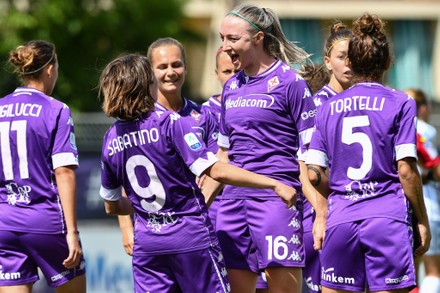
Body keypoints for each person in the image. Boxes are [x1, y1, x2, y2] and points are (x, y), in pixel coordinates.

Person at [98, 53, 297, 293]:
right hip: (190, 237)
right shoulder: (171, 123)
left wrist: (148, 205)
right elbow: (216, 170)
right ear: (147, 85)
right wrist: (273, 184)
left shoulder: (110, 139)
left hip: (148, 245)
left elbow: (111, 206)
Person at [306, 13, 431, 293]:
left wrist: (338, 198)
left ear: (351, 62)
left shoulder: (326, 108)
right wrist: (421, 219)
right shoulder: (401, 102)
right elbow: (406, 171)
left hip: (341, 219)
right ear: (387, 62)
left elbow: (313, 175)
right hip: (386, 219)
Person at [210, 4, 316, 292]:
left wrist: (321, 209)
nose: (224, 47)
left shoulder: (290, 82)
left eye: (232, 39)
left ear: (257, 38)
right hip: (232, 204)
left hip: (276, 202)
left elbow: (310, 154)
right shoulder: (231, 87)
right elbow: (223, 156)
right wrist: (200, 207)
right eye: (222, 38)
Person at [116, 37, 220, 256]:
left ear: (186, 67)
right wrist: (126, 228)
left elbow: (217, 168)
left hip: (198, 228)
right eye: (162, 67)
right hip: (154, 233)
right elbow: (124, 178)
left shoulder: (203, 115)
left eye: (176, 65)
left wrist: (197, 211)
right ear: (149, 72)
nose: (170, 72)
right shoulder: (137, 120)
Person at [0, 40, 86, 292]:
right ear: (49, 69)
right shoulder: (56, 109)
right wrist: (72, 232)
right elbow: (64, 171)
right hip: (44, 221)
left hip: (4, 222)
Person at [300, 21, 352, 293]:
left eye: (355, 57)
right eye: (342, 57)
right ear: (328, 61)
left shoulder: (362, 101)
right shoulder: (318, 105)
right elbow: (307, 169)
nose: (349, 64)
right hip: (320, 217)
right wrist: (322, 213)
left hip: (356, 214)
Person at [405, 88, 440, 293]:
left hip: (399, 205)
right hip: (426, 204)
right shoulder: (423, 130)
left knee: (409, 271)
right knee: (433, 270)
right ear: (424, 108)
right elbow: (435, 168)